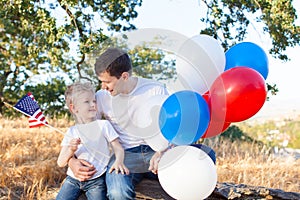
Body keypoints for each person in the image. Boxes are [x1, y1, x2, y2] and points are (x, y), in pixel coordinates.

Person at [68, 48, 169, 199]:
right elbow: (81, 130)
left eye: (107, 82)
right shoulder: (102, 97)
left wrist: (163, 152)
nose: (102, 87)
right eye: (101, 82)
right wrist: (72, 161)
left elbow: (170, 127)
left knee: (205, 155)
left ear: (124, 76)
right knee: (117, 192)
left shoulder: (155, 90)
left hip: (156, 151)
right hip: (124, 154)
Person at [56, 81, 129, 200]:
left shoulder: (103, 125)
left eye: (94, 101)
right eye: (87, 102)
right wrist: (70, 150)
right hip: (73, 180)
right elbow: (60, 162)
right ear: (74, 108)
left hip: (96, 180)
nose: (93, 104)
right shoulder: (72, 131)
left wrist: (119, 161)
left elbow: (118, 148)